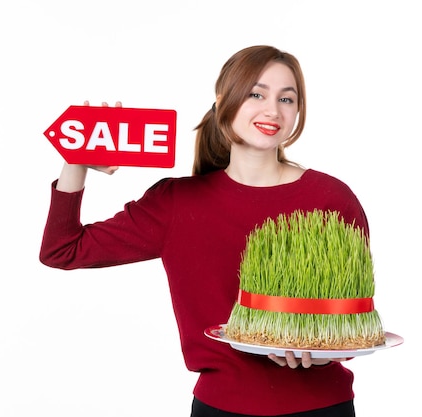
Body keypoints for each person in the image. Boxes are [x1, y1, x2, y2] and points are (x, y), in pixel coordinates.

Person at [39, 45, 367, 417]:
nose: (273, 110)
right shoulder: (178, 203)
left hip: (322, 408)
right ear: (223, 100)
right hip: (219, 408)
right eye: (256, 94)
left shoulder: (330, 198)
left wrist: (320, 354)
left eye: (287, 99)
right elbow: (61, 249)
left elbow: (350, 318)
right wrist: (76, 162)